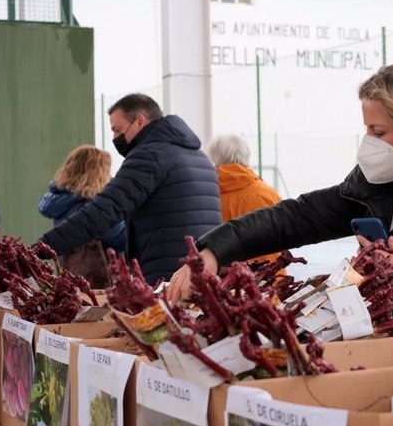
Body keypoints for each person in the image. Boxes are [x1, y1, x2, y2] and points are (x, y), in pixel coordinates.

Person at [168, 58, 393, 329]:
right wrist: (215, 248)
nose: (368, 142)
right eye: (366, 129)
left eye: (379, 131)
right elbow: (295, 217)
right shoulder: (377, 188)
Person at [39, 94, 222, 284]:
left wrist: (43, 248)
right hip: (204, 275)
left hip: (167, 278)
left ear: (139, 120)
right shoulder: (202, 159)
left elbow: (102, 212)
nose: (115, 138)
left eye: (117, 130)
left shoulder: (149, 155)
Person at [208, 134, 283, 264]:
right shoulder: (269, 195)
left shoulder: (207, 198)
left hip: (225, 280)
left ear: (214, 157)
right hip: (271, 278)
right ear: (246, 155)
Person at [39, 145, 126, 252]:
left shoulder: (61, 201)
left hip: (70, 266)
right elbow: (120, 240)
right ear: (98, 174)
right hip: (102, 267)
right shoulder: (94, 206)